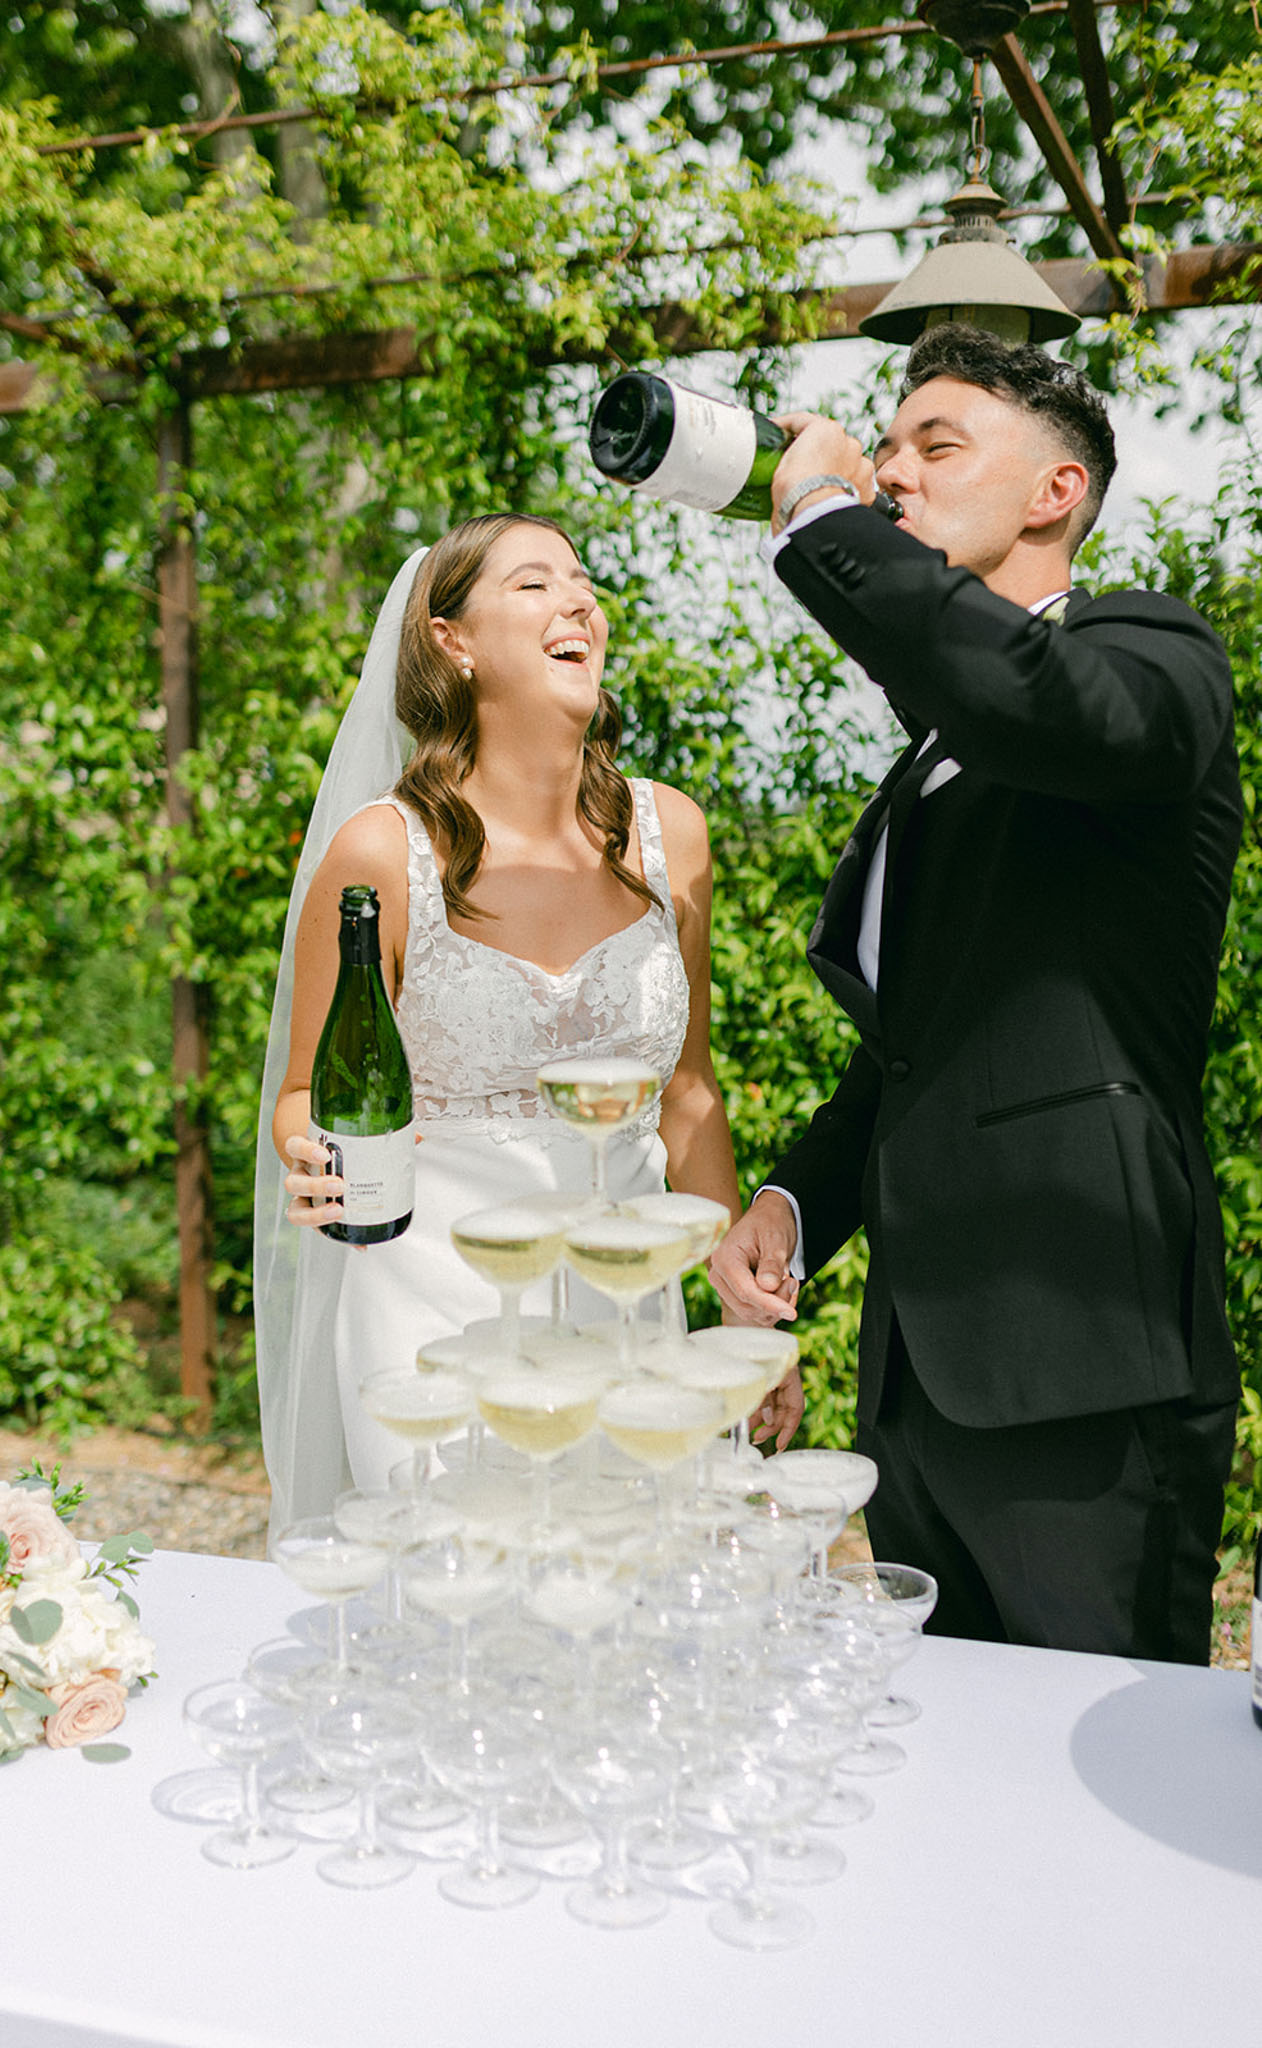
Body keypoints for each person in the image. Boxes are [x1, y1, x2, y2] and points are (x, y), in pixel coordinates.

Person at [708, 325, 1242, 1664]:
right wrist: (790, 1204)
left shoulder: (1150, 659)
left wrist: (823, 516)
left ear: (1056, 492)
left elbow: (1025, 690)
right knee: (950, 1789)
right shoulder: (947, 760)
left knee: (1094, 1800)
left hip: (1080, 1366)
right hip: (917, 1384)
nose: (892, 473)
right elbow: (922, 1055)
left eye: (934, 447)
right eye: (880, 452)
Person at [256, 513, 753, 1534]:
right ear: (453, 640)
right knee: (457, 1618)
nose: (578, 599)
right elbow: (306, 1088)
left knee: (625, 1612)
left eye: (581, 580)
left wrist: (733, 1297)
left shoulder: (672, 835)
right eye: (534, 584)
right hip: (429, 1311)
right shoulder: (382, 852)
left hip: (628, 1311)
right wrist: (309, 1150)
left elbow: (689, 1090)